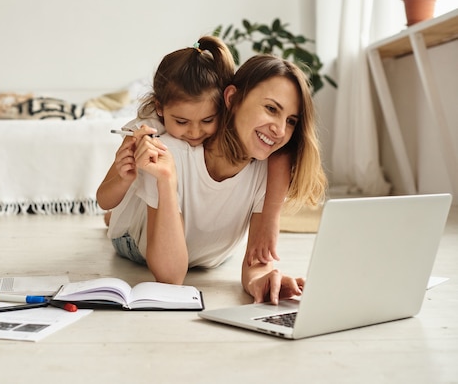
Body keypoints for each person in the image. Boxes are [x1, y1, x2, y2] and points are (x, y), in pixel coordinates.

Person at [111, 54, 327, 304]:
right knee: (133, 205)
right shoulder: (171, 149)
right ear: (232, 98)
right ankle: (119, 212)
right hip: (136, 244)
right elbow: (170, 278)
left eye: (291, 121)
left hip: (211, 256)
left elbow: (256, 266)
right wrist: (167, 182)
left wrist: (262, 279)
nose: (280, 131)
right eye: (271, 109)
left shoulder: (272, 168)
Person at [97, 37, 292, 264]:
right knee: (131, 203)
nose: (195, 132)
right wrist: (123, 179)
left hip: (203, 248)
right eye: (181, 122)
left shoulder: (244, 136)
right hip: (133, 238)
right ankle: (115, 219)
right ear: (160, 108)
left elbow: (282, 152)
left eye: (207, 120)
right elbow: (103, 198)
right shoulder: (147, 131)